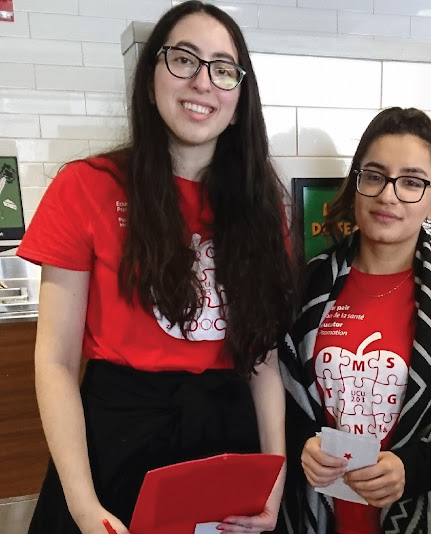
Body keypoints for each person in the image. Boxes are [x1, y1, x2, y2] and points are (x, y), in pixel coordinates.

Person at [17, 2, 295, 533]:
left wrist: (273, 485)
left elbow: (263, 364)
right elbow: (53, 361)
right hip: (113, 442)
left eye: (223, 68)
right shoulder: (86, 187)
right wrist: (82, 507)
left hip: (225, 445)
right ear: (150, 80)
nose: (202, 82)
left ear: (239, 101)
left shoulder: (262, 210)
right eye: (183, 59)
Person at [279, 107, 431, 533]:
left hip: (421, 519)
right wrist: (303, 447)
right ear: (356, 186)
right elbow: (278, 401)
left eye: (411, 182)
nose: (388, 195)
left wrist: (412, 469)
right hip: (316, 517)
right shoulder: (309, 287)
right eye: (375, 176)